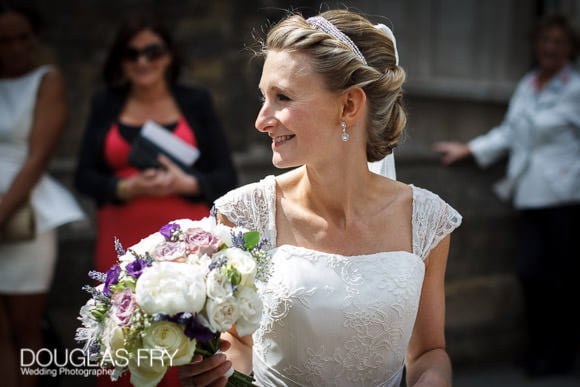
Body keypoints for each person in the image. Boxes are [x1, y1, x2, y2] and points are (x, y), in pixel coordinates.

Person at [179, 9, 462, 387]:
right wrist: (218, 371)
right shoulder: (244, 215)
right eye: (264, 97)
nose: (262, 120)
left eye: (283, 97)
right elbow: (239, 343)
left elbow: (428, 352)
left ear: (348, 106)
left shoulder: (427, 221)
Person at [74, 12, 238, 387]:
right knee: (124, 330)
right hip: (121, 236)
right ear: (121, 60)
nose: (143, 61)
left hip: (186, 240)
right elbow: (84, 175)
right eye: (132, 54)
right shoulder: (106, 104)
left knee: (191, 333)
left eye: (153, 51)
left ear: (168, 56)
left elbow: (225, 176)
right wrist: (124, 188)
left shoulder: (195, 102)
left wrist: (187, 182)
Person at [433, 14, 580, 376]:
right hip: (530, 194)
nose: (550, 48)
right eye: (546, 40)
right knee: (531, 275)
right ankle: (538, 349)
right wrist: (469, 149)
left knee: (562, 281)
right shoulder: (529, 84)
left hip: (566, 198)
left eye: (558, 42)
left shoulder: (576, 87)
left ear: (570, 49)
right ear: (536, 44)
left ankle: (559, 357)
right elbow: (510, 132)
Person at [0, 3, 85, 387]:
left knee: (25, 328)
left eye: (23, 37)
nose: (15, 47)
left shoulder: (46, 80)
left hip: (25, 215)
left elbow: (37, 158)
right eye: (4, 40)